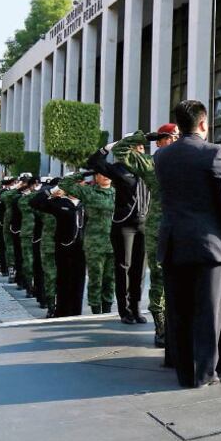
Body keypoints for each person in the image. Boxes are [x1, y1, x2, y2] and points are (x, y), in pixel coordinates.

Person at [154, 99, 221, 388]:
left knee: (178, 313)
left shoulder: (162, 157)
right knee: (208, 313)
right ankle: (205, 373)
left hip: (173, 244)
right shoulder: (216, 154)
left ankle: (184, 373)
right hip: (210, 246)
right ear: (204, 123)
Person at [112, 124, 179, 345]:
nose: (173, 141)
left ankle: (178, 325)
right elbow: (119, 151)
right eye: (167, 137)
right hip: (158, 226)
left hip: (184, 226)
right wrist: (145, 137)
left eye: (176, 137)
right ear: (159, 141)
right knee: (159, 275)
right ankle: (161, 327)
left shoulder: (186, 160)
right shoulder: (151, 163)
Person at [88, 139, 151, 325]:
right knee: (124, 267)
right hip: (124, 225)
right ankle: (124, 310)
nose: (141, 150)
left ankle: (137, 308)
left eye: (142, 147)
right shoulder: (119, 169)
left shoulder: (148, 169)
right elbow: (93, 162)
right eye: (137, 147)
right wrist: (107, 147)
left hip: (143, 223)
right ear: (128, 151)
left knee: (139, 270)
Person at [59, 171, 116, 315]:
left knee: (110, 279)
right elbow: (64, 184)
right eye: (100, 173)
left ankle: (108, 308)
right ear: (96, 177)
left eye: (106, 173)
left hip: (114, 243)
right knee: (96, 278)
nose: (105, 175)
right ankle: (96, 309)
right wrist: (85, 173)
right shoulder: (88, 192)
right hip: (94, 244)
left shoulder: (118, 193)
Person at [34, 180, 87, 317]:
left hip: (82, 247)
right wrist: (51, 191)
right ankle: (61, 310)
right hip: (63, 246)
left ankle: (76, 311)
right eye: (76, 184)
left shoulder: (86, 203)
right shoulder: (59, 203)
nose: (80, 186)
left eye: (81, 184)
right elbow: (35, 202)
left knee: (79, 280)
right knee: (63, 279)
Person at [30, 179, 60, 317]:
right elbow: (34, 204)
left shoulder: (68, 204)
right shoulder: (45, 206)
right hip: (48, 244)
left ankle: (59, 304)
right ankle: (50, 305)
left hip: (65, 246)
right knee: (49, 275)